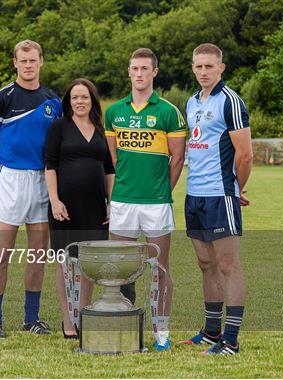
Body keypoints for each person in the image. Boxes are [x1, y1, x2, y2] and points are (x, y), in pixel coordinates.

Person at [0, 40, 62, 337]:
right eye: (23, 60)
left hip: (42, 179)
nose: (28, 65)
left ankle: (31, 318)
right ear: (15, 62)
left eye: (33, 60)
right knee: (2, 254)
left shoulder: (53, 100)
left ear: (41, 61)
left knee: (38, 254)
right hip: (11, 179)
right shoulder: (2, 97)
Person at [104, 48, 186, 351]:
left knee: (159, 267)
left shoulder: (168, 111)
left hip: (156, 203)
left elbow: (177, 159)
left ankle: (161, 332)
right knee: (119, 268)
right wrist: (114, 195)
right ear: (129, 72)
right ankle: (123, 326)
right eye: (134, 68)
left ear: (154, 72)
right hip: (123, 201)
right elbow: (111, 161)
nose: (139, 74)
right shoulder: (114, 112)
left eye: (145, 69)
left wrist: (162, 192)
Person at [180, 43, 253, 355]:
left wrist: (237, 188)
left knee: (228, 266)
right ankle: (211, 332)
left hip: (220, 194)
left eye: (209, 66)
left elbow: (246, 153)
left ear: (221, 67)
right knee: (205, 263)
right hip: (194, 194)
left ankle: (231, 339)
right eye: (198, 66)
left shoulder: (231, 101)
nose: (203, 72)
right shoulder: (191, 102)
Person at [45, 78, 115, 339]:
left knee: (89, 264)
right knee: (65, 265)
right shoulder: (59, 127)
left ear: (92, 100)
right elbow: (50, 165)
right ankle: (67, 321)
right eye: (75, 97)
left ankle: (84, 314)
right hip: (65, 207)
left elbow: (109, 169)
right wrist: (54, 200)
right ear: (69, 101)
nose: (80, 101)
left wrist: (111, 204)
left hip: (96, 208)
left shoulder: (100, 129)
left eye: (84, 97)